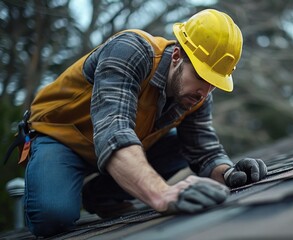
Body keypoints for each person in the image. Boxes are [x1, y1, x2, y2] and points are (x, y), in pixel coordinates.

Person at [18, 9, 267, 237]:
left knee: (181, 147)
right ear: (178, 56)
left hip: (115, 147)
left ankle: (101, 195)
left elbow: (204, 150)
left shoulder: (197, 95)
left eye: (214, 82)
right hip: (60, 138)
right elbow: (113, 132)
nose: (206, 91)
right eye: (202, 75)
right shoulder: (131, 50)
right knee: (53, 218)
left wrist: (230, 173)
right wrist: (162, 194)